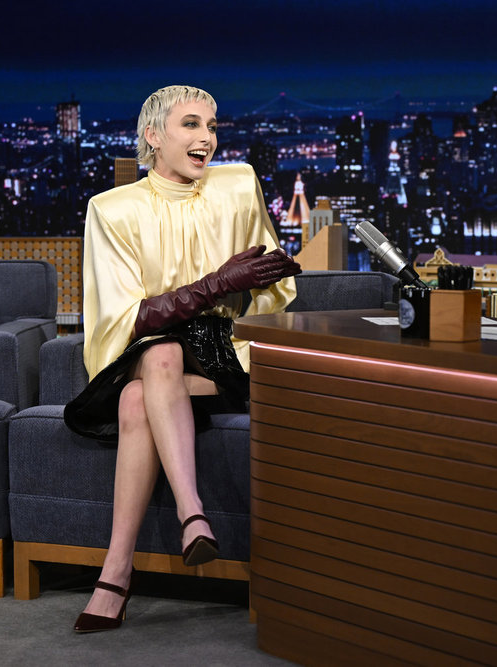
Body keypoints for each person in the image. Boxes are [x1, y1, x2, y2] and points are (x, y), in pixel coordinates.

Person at [64, 84, 300, 633]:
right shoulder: (111, 209)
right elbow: (127, 320)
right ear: (153, 136)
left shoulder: (238, 185)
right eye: (191, 125)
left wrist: (263, 278)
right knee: (161, 353)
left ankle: (116, 574)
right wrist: (217, 282)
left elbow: (272, 291)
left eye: (212, 126)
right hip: (150, 345)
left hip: (224, 349)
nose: (207, 138)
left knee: (137, 399)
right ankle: (191, 512)